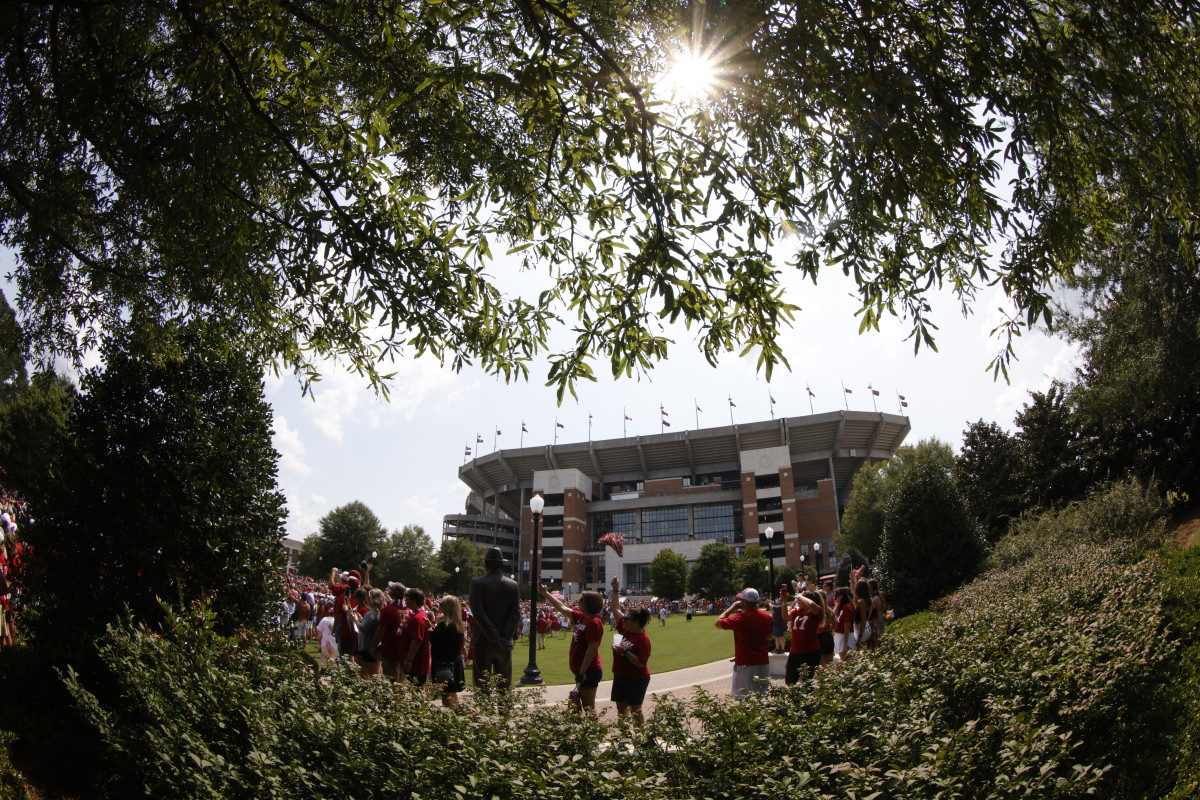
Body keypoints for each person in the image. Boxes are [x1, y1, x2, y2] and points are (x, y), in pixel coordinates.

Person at [541, 584, 604, 712]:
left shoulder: (593, 622)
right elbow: (562, 608)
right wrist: (545, 593)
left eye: (581, 600)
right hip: (581, 669)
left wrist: (582, 672)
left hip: (588, 671)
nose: (578, 602)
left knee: (588, 707)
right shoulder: (582, 617)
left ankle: (595, 731)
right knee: (583, 706)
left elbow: (592, 649)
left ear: (588, 604)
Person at [468, 547, 521, 689]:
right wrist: (503, 637)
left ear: (486, 563)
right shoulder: (512, 585)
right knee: (504, 684)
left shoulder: (477, 583)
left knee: (481, 684)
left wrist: (494, 636)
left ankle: (483, 711)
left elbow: (478, 613)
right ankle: (504, 711)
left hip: (483, 641)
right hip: (504, 643)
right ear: (500, 563)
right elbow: (516, 614)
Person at [714, 588, 775, 698]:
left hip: (746, 664)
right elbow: (769, 636)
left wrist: (732, 608)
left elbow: (718, 623)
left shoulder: (741, 618)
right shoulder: (767, 617)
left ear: (744, 602)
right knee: (761, 696)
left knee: (743, 698)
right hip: (763, 662)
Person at [608, 576, 652, 726]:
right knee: (620, 709)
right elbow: (615, 608)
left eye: (627, 618)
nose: (623, 619)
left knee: (635, 711)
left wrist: (625, 652)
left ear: (636, 623)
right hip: (620, 675)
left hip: (636, 678)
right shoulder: (626, 631)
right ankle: (623, 739)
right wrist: (615, 589)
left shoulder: (643, 639)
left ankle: (640, 742)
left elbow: (641, 663)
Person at [429, 595, 467, 706]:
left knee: (447, 693)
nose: (439, 606)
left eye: (442, 604)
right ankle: (453, 715)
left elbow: (434, 640)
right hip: (455, 660)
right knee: (451, 692)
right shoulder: (457, 624)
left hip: (444, 663)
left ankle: (450, 717)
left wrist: (430, 629)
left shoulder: (444, 624)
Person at [784, 588, 823, 685]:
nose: (798, 601)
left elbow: (811, 605)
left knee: (808, 682)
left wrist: (801, 596)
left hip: (810, 652)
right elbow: (786, 616)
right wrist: (784, 602)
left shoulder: (816, 611)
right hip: (794, 651)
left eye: (800, 600)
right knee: (790, 680)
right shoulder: (797, 611)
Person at [373, 582, 408, 681]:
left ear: (393, 593)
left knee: (391, 679)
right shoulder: (407, 609)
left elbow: (381, 629)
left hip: (390, 649)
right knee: (401, 679)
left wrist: (373, 645)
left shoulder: (388, 609)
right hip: (403, 650)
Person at [397, 587, 432, 684]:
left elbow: (417, 640)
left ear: (414, 601)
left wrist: (409, 660)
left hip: (417, 663)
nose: (405, 601)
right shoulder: (415, 615)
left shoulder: (418, 618)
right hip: (415, 662)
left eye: (407, 599)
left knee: (417, 689)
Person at [357, 588, 385, 678]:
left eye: (368, 598)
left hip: (367, 646)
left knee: (373, 674)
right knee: (376, 672)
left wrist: (355, 620)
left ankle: (375, 692)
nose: (366, 600)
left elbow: (363, 628)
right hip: (373, 646)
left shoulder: (372, 613)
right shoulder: (377, 612)